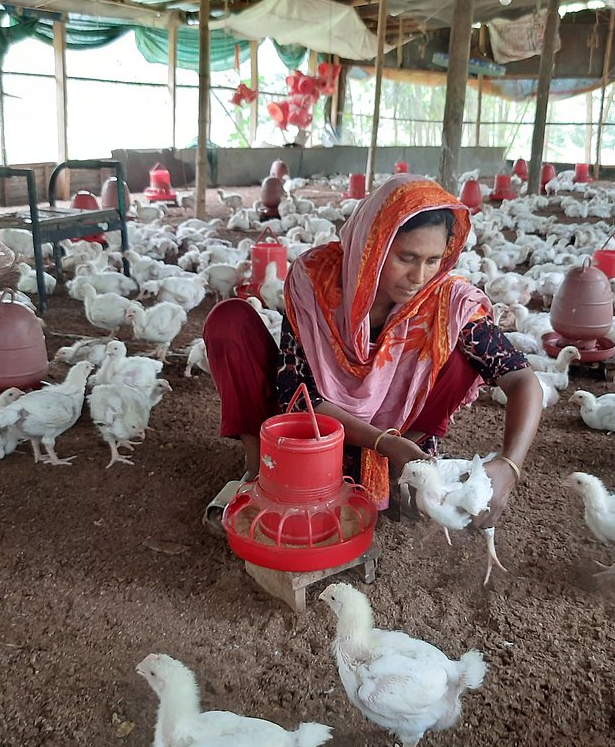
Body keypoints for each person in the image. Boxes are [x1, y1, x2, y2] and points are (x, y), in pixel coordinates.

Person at [202, 174, 543, 528]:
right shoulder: (318, 281)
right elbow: (299, 397)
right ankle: (260, 468)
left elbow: (521, 379)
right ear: (373, 245)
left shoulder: (445, 300)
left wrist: (509, 466)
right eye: (407, 257)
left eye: (433, 260)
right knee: (230, 320)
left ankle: (403, 469)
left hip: (400, 437)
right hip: (316, 427)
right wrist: (382, 442)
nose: (419, 275)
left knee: (459, 351)